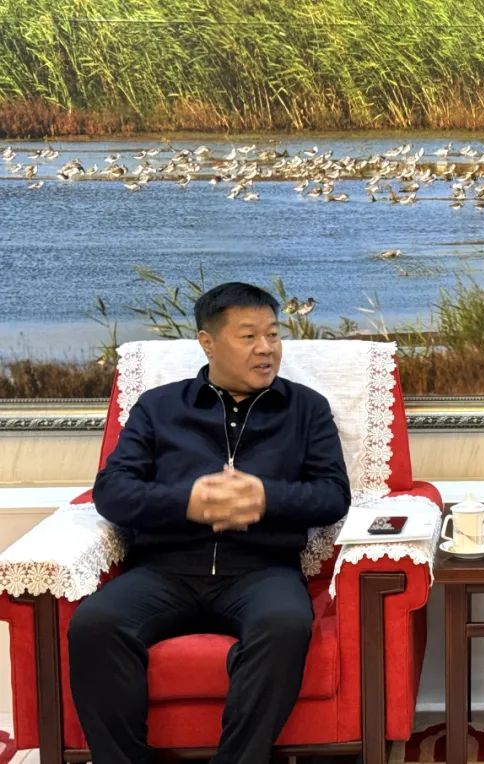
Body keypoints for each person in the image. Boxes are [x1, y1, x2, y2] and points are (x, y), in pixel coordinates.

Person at [68, 282, 351, 764]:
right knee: (96, 624)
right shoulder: (159, 407)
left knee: (284, 624)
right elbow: (111, 491)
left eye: (273, 334)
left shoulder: (306, 408)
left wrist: (266, 497)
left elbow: (332, 495)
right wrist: (188, 503)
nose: (266, 348)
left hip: (262, 571)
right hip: (164, 571)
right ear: (207, 342)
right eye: (249, 336)